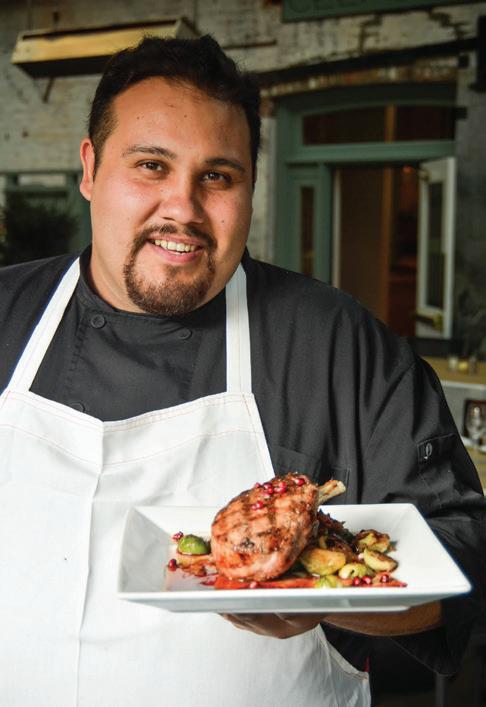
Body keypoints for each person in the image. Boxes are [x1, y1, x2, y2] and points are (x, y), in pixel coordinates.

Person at [0, 35, 484, 707]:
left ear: (251, 188)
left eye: (218, 176)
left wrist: (320, 595)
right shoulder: (7, 313)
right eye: (150, 165)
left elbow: (464, 553)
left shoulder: (335, 342)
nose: (182, 208)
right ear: (90, 169)